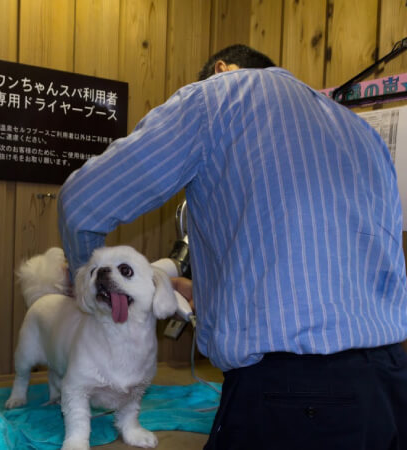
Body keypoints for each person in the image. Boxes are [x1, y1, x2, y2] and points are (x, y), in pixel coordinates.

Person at [57, 44, 407, 449]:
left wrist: (89, 288)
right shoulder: (361, 131)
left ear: (222, 69)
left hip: (294, 398)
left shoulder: (216, 98)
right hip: (390, 384)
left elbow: (82, 203)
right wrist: (207, 294)